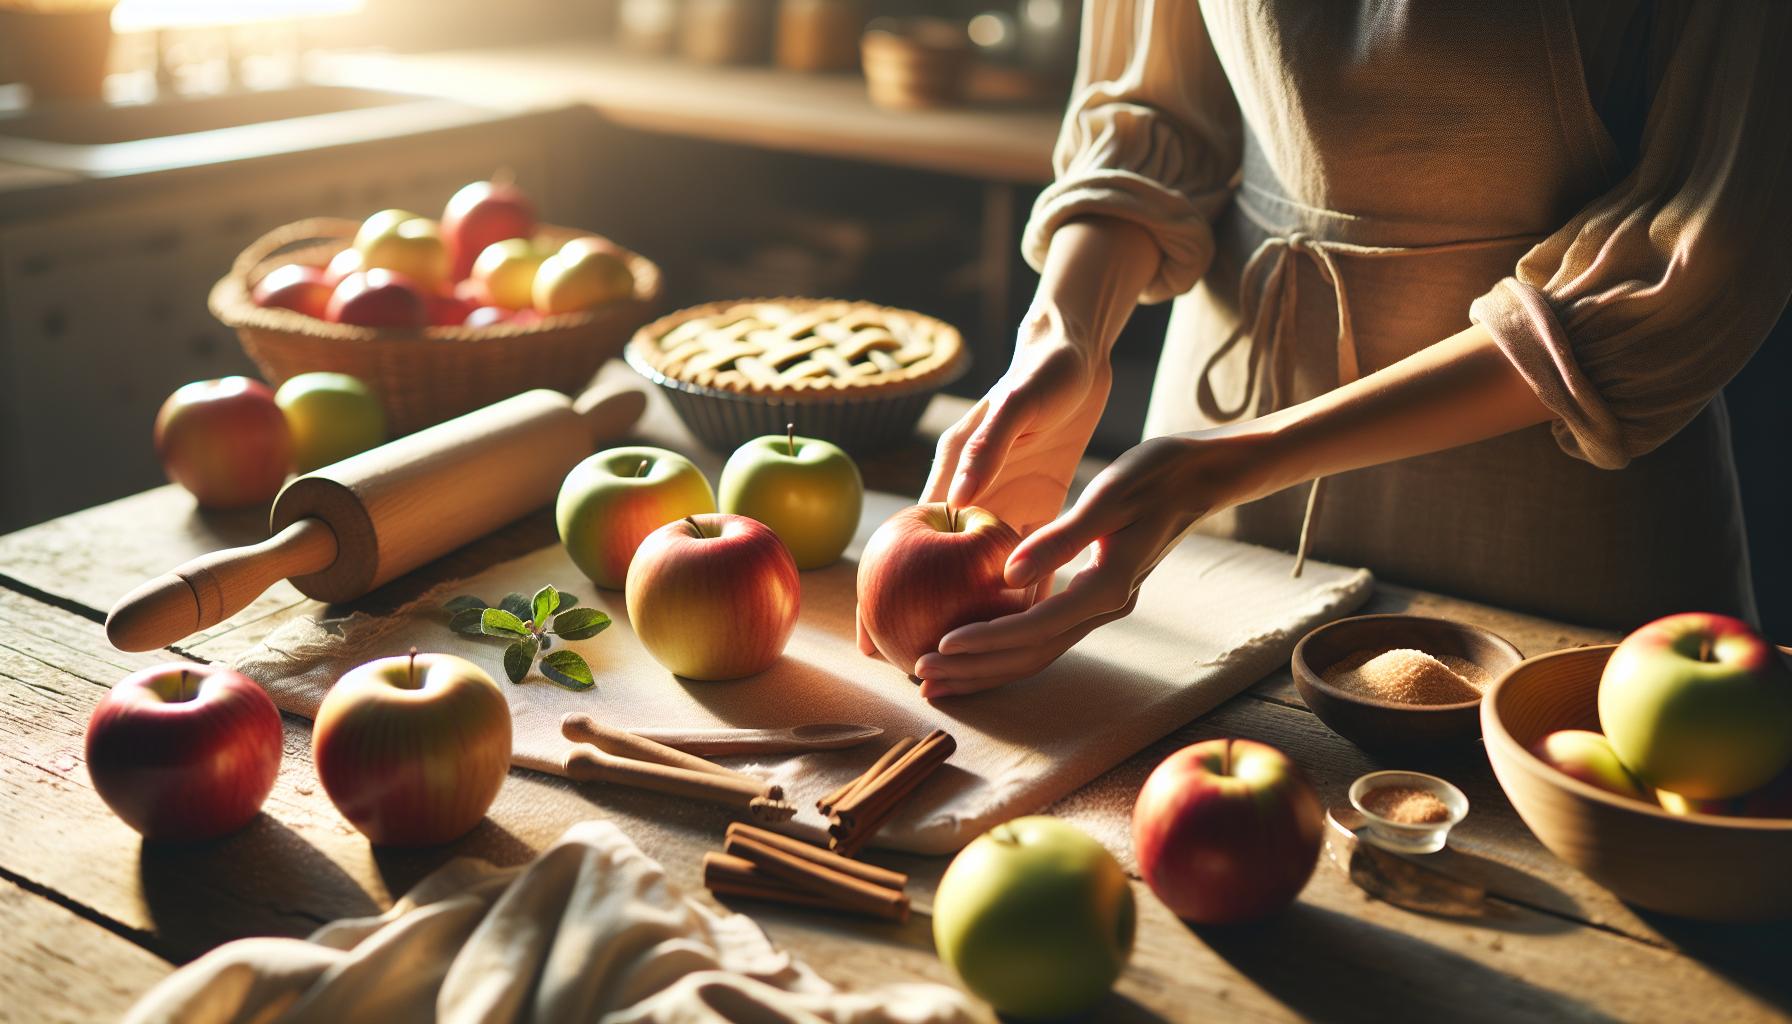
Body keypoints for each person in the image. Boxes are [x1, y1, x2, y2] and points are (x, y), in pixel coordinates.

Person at [880, 1, 1792, 699]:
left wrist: (1238, 461)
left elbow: (1693, 258)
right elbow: (1149, 118)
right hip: (1204, 484)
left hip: (1554, 489)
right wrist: (1062, 334)